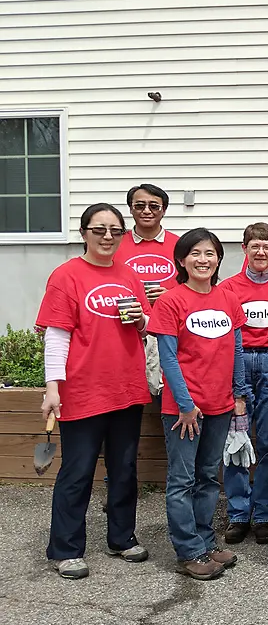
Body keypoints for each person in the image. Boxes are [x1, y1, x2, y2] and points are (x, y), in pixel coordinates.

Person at [36, 203, 152, 580]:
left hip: (126, 388)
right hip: (83, 390)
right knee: (78, 471)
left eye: (115, 230)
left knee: (124, 469)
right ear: (84, 232)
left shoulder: (129, 274)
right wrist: (52, 387)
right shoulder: (66, 275)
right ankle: (66, 549)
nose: (107, 237)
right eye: (99, 229)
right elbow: (56, 335)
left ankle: (121, 537)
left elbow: (145, 326)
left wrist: (141, 320)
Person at [147, 228, 250, 581]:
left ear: (218, 259)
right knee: (182, 480)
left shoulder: (228, 299)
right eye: (195, 253)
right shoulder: (171, 301)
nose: (203, 260)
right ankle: (188, 550)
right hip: (185, 411)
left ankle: (205, 541)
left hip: (220, 405)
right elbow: (168, 359)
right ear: (181, 260)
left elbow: (237, 350)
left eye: (210, 253)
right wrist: (186, 404)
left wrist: (238, 395)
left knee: (208, 477)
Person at [217, 224, 268, 546]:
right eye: (255, 246)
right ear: (244, 249)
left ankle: (264, 513)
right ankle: (237, 513)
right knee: (236, 441)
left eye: (267, 246)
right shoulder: (228, 289)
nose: (261, 252)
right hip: (239, 363)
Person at [115, 183, 179, 395]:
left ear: (164, 210)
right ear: (130, 209)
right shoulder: (115, 243)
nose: (146, 211)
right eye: (140, 205)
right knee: (127, 390)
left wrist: (171, 295)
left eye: (154, 206)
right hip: (125, 328)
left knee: (166, 392)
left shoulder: (180, 245)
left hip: (167, 328)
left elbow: (194, 286)